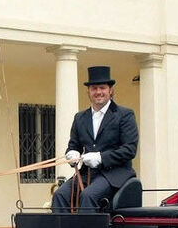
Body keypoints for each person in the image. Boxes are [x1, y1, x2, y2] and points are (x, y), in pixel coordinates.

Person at [51, 66, 138, 212]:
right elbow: (74, 145)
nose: (98, 92)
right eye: (94, 88)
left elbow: (130, 149)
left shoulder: (125, 115)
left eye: (102, 88)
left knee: (88, 195)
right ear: (88, 92)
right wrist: (72, 153)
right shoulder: (80, 118)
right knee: (60, 195)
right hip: (88, 174)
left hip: (114, 174)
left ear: (110, 90)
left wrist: (101, 158)